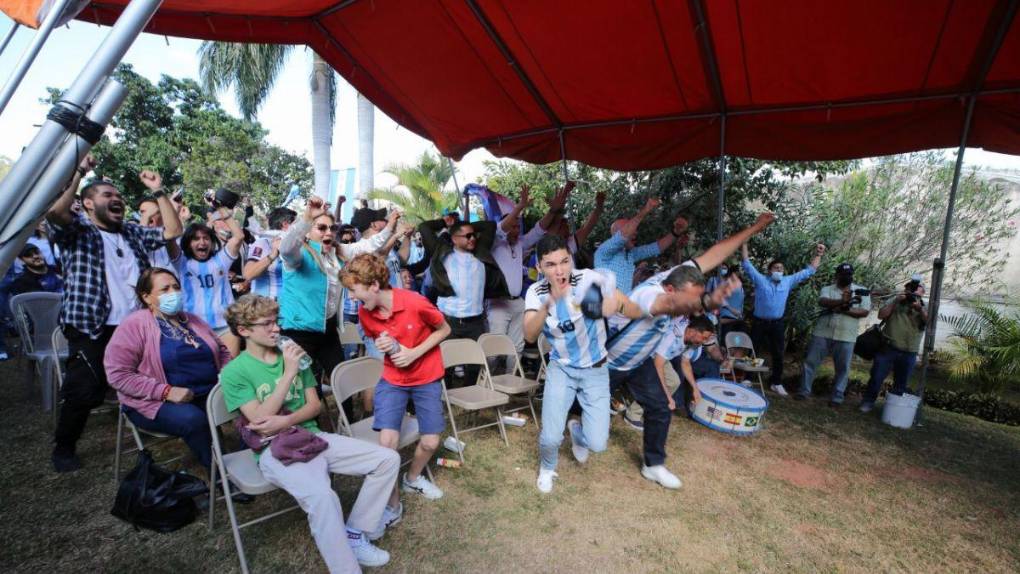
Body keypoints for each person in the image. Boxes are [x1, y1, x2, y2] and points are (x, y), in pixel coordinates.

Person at [220, 294, 399, 572]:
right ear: (243, 330)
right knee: (323, 498)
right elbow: (259, 419)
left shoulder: (292, 355)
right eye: (266, 324)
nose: (276, 329)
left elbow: (314, 406)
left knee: (387, 459)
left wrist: (286, 419)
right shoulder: (234, 371)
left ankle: (354, 532)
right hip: (274, 449)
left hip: (311, 436)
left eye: (276, 322)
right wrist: (289, 373)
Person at [606, 213, 775, 489]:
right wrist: (707, 302)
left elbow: (715, 253)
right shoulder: (650, 295)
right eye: (691, 298)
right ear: (672, 289)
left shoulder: (680, 275)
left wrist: (754, 228)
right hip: (612, 361)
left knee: (660, 407)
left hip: (640, 360)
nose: (694, 303)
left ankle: (653, 465)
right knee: (580, 404)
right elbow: (669, 306)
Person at [46, 160, 183, 472]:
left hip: (136, 325)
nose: (116, 198)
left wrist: (158, 191)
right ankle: (64, 446)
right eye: (107, 194)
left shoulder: (133, 232)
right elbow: (55, 213)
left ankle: (149, 425)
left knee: (150, 378)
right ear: (88, 203)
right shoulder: (75, 232)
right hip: (92, 327)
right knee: (85, 389)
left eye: (118, 195)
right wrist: (79, 173)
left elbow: (174, 230)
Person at [523, 234, 641, 494]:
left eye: (564, 261)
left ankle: (577, 430)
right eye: (551, 265)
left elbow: (633, 308)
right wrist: (547, 305)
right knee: (551, 437)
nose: (560, 270)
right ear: (540, 267)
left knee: (598, 444)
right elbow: (530, 335)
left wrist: (617, 304)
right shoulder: (536, 292)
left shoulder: (589, 279)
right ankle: (547, 467)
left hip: (596, 370)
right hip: (561, 369)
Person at [341, 254, 451, 509]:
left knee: (431, 441)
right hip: (393, 379)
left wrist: (414, 353)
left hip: (426, 376)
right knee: (387, 444)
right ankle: (391, 504)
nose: (352, 297)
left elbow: (445, 330)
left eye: (353, 291)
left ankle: (412, 478)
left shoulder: (415, 302)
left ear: (374, 286)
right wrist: (385, 345)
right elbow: (382, 339)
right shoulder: (365, 313)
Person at [103, 268, 232, 476]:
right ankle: (221, 476)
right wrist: (165, 392)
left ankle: (253, 459)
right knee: (194, 420)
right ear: (147, 297)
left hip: (207, 391)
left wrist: (227, 373)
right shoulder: (134, 325)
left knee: (250, 401)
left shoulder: (192, 320)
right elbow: (118, 375)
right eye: (165, 289)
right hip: (156, 401)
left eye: (176, 287)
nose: (174, 293)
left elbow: (222, 350)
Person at [279, 196, 396, 381]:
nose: (329, 232)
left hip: (327, 330)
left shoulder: (338, 252)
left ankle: (346, 411)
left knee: (342, 379)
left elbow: (367, 245)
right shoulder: (298, 255)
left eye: (332, 228)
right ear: (308, 232)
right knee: (308, 388)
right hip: (298, 332)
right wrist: (307, 219)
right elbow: (285, 248)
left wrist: (390, 227)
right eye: (321, 227)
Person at [419, 214, 508, 387]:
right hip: (448, 320)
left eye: (473, 234)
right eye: (467, 236)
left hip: (475, 321)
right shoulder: (442, 251)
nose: (473, 238)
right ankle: (447, 398)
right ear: (454, 238)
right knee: (445, 364)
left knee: (475, 364)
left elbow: (489, 225)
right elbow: (424, 227)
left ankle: (471, 397)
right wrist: (445, 223)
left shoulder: (481, 250)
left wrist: (464, 226)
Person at [487, 185, 565, 358]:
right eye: (512, 226)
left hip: (517, 303)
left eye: (517, 227)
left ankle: (511, 379)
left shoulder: (521, 244)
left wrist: (553, 211)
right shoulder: (494, 242)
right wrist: (521, 206)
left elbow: (539, 229)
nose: (516, 230)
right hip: (498, 304)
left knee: (517, 347)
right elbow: (502, 227)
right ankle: (489, 382)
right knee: (493, 350)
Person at [742, 242, 826, 396]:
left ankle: (776, 382)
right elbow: (746, 263)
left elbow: (810, 271)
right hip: (759, 322)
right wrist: (744, 242)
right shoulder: (760, 280)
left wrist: (819, 254)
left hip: (777, 324)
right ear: (769, 271)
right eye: (776, 268)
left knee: (778, 353)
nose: (779, 270)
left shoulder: (788, 281)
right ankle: (747, 378)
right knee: (753, 350)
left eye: (781, 268)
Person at [796, 263, 871, 406]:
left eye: (849, 274)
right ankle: (803, 392)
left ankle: (837, 398)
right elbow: (823, 301)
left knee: (843, 368)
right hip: (822, 332)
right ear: (837, 275)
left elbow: (864, 311)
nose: (846, 277)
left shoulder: (862, 291)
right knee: (810, 362)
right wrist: (841, 301)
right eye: (843, 274)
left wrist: (844, 309)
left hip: (846, 336)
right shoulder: (827, 289)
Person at [622, 315, 715, 428]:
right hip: (645, 352)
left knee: (674, 381)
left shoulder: (693, 341)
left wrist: (695, 390)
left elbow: (685, 363)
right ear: (693, 331)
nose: (704, 342)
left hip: (659, 357)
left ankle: (648, 408)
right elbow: (658, 365)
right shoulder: (672, 337)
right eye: (704, 338)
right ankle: (633, 414)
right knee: (658, 382)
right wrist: (668, 397)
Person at [174, 213, 244, 355]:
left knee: (229, 372)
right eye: (196, 239)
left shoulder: (222, 259)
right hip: (193, 327)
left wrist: (226, 213)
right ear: (188, 242)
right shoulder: (181, 262)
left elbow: (239, 237)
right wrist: (175, 211)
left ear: (212, 242)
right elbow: (170, 236)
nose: (202, 242)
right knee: (202, 372)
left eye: (206, 238)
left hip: (226, 326)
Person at [860, 276, 928, 413]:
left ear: (923, 292)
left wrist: (920, 309)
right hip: (888, 347)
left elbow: (929, 322)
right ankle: (868, 402)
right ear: (906, 289)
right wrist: (896, 301)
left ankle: (892, 409)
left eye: (916, 288)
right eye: (910, 287)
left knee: (901, 383)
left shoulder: (925, 306)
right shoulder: (896, 300)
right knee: (876, 377)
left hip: (909, 351)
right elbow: (881, 315)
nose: (912, 290)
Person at [594, 197, 689, 295]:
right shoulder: (604, 251)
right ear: (617, 234)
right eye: (631, 229)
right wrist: (646, 209)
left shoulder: (630, 254)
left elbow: (656, 248)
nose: (635, 233)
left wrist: (676, 232)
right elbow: (624, 235)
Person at [243, 207, 296, 300]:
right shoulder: (263, 243)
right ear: (285, 224)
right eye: (295, 224)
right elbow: (248, 274)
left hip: (286, 305)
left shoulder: (291, 245)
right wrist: (272, 255)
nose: (297, 229)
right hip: (264, 306)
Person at [137, 194, 185, 270]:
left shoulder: (180, 236)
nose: (148, 215)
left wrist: (171, 212)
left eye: (152, 211)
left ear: (162, 213)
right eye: (143, 212)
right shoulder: (134, 236)